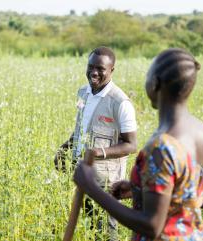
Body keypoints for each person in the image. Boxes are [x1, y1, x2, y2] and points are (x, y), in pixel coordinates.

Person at [73, 48, 203, 240]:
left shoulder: (161, 148)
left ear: (155, 83)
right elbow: (201, 200)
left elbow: (151, 226)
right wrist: (138, 189)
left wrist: (91, 187)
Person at [55, 46, 137, 240]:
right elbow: (81, 129)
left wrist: (96, 152)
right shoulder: (83, 92)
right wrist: (64, 149)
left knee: (105, 231)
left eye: (100, 69)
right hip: (82, 174)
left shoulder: (120, 103)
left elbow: (131, 145)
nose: (94, 72)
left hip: (105, 181)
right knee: (88, 228)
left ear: (111, 70)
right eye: (91, 67)